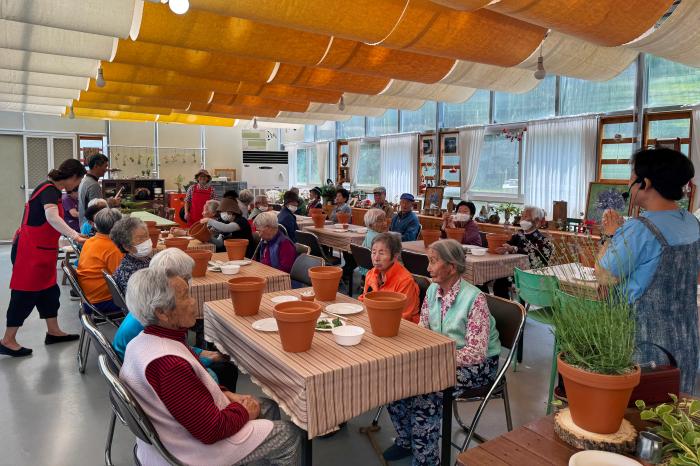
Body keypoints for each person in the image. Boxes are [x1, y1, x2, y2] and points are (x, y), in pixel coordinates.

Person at [121, 268, 302, 466]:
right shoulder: (168, 365)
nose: (194, 301)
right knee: (289, 434)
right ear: (162, 312)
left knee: (268, 406)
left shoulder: (142, 342)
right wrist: (243, 412)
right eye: (186, 296)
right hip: (188, 452)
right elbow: (211, 431)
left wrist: (226, 394)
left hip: (171, 435)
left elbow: (194, 387)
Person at [383, 239, 500, 464]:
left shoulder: (475, 299)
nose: (428, 267)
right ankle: (407, 441)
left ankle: (426, 460)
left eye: (433, 262)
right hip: (441, 357)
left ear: (452, 267)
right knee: (394, 379)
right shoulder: (432, 291)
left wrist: (435, 359)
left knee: (426, 392)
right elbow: (423, 330)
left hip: (479, 366)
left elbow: (476, 352)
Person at [596, 148, 699, 394]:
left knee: (640, 408)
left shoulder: (640, 229)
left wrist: (611, 235)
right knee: (674, 406)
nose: (628, 183)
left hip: (643, 341)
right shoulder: (692, 222)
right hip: (685, 337)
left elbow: (604, 276)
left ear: (646, 183)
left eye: (632, 177)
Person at [112, 248, 237, 390]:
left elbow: (175, 346)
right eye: (186, 278)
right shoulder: (153, 325)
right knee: (227, 369)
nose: (193, 301)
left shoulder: (146, 307)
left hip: (136, 370)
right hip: (143, 377)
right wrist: (219, 387)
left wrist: (199, 352)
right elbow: (174, 363)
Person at [0, 159, 87, 356]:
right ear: (73, 177)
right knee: (24, 294)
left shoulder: (52, 190)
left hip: (43, 251)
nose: (76, 186)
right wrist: (74, 236)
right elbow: (52, 218)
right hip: (30, 252)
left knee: (49, 292)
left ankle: (53, 331)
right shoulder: (49, 190)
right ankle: (8, 340)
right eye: (78, 181)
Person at [492, 205, 553, 298]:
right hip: (513, 271)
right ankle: (505, 306)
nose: (522, 219)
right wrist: (504, 248)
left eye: (526, 216)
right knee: (498, 282)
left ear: (537, 221)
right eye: (522, 216)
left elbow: (533, 253)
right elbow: (509, 244)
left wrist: (514, 249)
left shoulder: (541, 240)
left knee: (501, 283)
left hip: (530, 275)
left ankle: (517, 306)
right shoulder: (519, 234)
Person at [359, 233, 420, 323]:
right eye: (373, 252)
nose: (376, 258)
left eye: (381, 253)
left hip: (401, 326)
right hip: (375, 319)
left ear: (395, 256)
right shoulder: (371, 273)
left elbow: (404, 316)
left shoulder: (405, 281)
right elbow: (364, 300)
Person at [76, 208, 124, 315]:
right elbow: (121, 279)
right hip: (103, 302)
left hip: (89, 297)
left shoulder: (90, 241)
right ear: (119, 227)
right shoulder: (113, 248)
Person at [111, 217, 152, 295]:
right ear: (126, 246)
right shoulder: (129, 272)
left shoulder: (145, 260)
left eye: (147, 236)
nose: (146, 241)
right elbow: (143, 299)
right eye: (140, 239)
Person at [78, 153, 110, 226]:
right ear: (96, 166)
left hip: (84, 224)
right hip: (91, 226)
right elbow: (98, 211)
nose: (106, 169)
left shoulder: (85, 180)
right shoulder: (93, 185)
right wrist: (110, 203)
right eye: (105, 166)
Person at [358, 208, 388, 276]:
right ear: (371, 224)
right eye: (380, 221)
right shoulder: (380, 239)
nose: (384, 223)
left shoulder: (369, 233)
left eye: (384, 220)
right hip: (376, 272)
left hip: (366, 270)